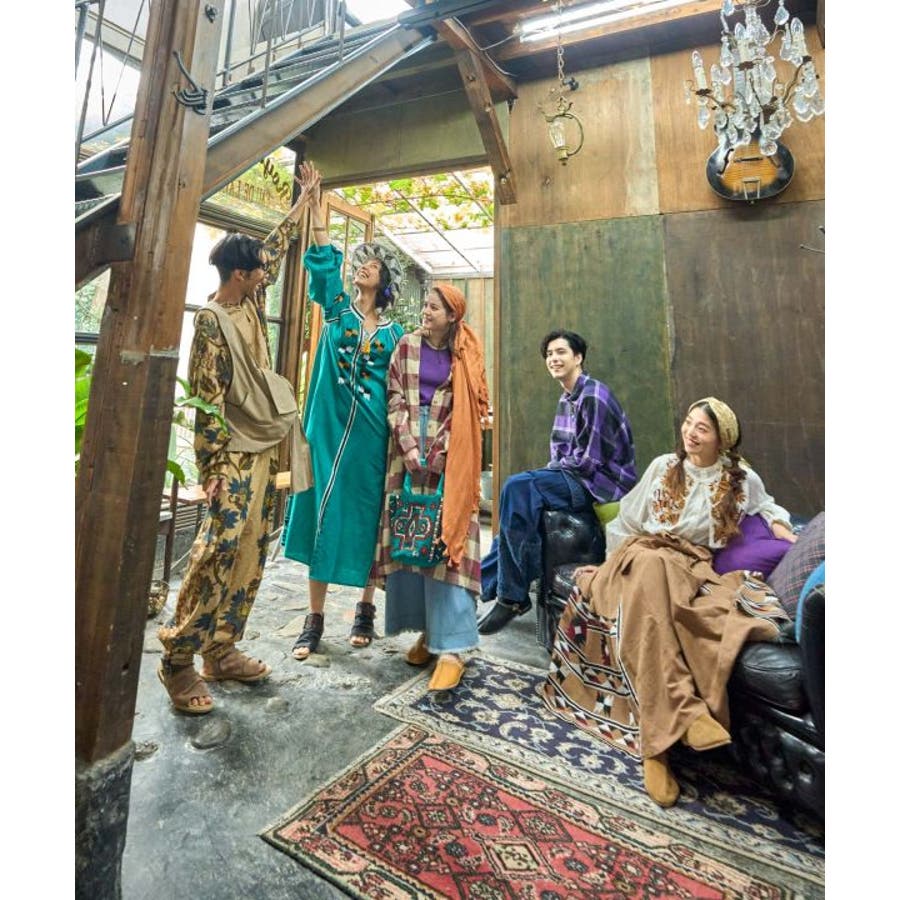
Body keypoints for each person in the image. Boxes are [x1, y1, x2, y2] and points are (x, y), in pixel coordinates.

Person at [539, 397, 797, 808]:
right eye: (689, 423)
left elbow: (766, 506)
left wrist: (782, 527)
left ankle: (663, 734)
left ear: (723, 440)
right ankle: (667, 737)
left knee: (654, 609)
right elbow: (627, 520)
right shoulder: (663, 467)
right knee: (651, 563)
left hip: (692, 564)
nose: (690, 433)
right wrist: (608, 568)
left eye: (702, 429)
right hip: (642, 552)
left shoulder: (740, 479)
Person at [157, 183, 314, 714]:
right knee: (217, 551)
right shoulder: (211, 321)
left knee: (252, 548)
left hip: (264, 446)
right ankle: (178, 659)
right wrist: (212, 467)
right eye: (260, 270)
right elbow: (208, 397)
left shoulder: (252, 301)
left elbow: (275, 246)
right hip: (232, 456)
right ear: (240, 274)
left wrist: (302, 204)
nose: (267, 274)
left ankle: (221, 651)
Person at [282, 161, 405, 659]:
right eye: (360, 263)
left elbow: (403, 387)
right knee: (323, 512)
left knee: (366, 515)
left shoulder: (396, 335)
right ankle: (313, 619)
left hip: (373, 439)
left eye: (371, 265)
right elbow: (321, 259)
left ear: (384, 282)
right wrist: (315, 204)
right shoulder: (336, 311)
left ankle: (364, 609)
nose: (362, 267)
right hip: (327, 430)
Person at [477, 329, 637, 635]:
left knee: (517, 487)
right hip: (575, 476)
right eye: (549, 354)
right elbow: (560, 455)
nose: (554, 359)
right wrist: (547, 476)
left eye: (561, 352)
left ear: (578, 357)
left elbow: (588, 462)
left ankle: (511, 598)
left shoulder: (593, 395)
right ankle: (476, 589)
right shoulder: (567, 397)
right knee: (517, 515)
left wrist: (544, 478)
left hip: (600, 485)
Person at [372, 283, 490, 691]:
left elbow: (471, 408)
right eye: (425, 305)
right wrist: (408, 445)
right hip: (405, 448)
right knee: (412, 538)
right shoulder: (406, 345)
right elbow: (393, 397)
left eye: (434, 308)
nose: (425, 312)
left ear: (452, 315)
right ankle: (429, 632)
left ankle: (454, 649)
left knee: (450, 542)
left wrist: (442, 450)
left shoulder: (465, 352)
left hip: (453, 455)